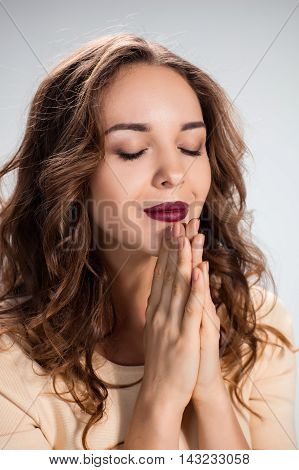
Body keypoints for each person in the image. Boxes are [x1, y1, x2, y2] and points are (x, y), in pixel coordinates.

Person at [0, 32, 298, 451]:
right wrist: (161, 399)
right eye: (133, 150)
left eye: (190, 146)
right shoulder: (8, 364)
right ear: (68, 177)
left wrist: (209, 393)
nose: (173, 172)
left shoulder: (261, 326)